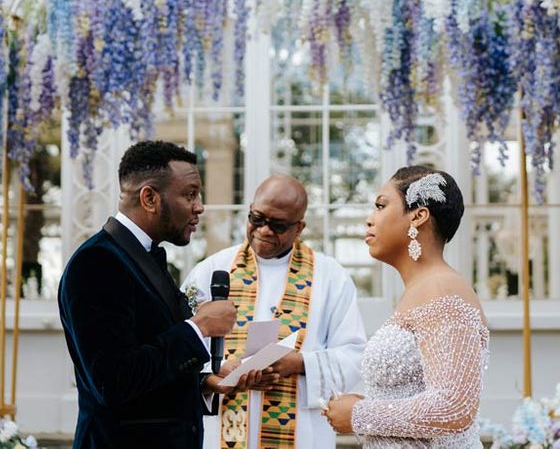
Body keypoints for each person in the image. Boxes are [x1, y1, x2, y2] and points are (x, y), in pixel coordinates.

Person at [58, 140, 237, 449]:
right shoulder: (97, 263)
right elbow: (112, 382)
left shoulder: (145, 257)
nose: (199, 206)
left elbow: (150, 374)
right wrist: (199, 328)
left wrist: (205, 381)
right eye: (190, 194)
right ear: (150, 198)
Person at [182, 174, 366, 449]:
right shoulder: (212, 270)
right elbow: (180, 349)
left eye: (278, 225)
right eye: (257, 219)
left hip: (302, 432)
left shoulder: (330, 277)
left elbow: (355, 357)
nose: (264, 230)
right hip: (220, 429)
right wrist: (217, 373)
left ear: (299, 227)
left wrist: (298, 363)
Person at [324, 166, 489, 448]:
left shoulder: (441, 289)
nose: (369, 220)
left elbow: (454, 405)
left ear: (418, 215)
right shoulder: (422, 290)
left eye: (380, 206)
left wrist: (359, 414)